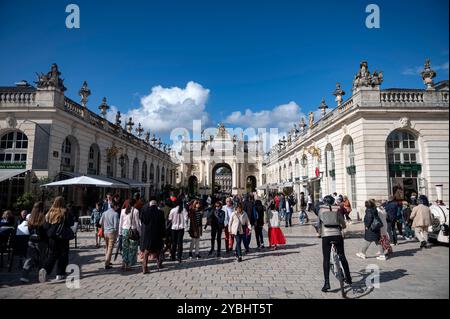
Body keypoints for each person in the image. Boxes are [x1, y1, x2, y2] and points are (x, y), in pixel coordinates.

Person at [318, 195, 351, 292]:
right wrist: (343, 226)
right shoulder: (337, 209)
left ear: (324, 202)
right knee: (342, 256)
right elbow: (342, 222)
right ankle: (348, 278)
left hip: (326, 236)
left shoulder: (321, 210)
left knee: (326, 259)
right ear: (333, 202)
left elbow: (320, 221)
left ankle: (327, 283)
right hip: (337, 234)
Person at [39, 196, 74, 283]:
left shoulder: (49, 213)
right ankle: (60, 273)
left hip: (52, 237)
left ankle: (45, 269)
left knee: (52, 255)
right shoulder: (65, 212)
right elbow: (71, 223)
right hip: (63, 237)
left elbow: (45, 226)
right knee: (63, 255)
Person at [20, 202, 48, 283]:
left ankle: (24, 276)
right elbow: (45, 228)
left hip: (31, 240)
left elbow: (29, 229)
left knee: (29, 259)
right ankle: (41, 277)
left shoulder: (30, 217)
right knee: (42, 259)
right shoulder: (43, 217)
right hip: (41, 241)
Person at [140, 199, 166, 273]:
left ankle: (144, 266)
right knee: (158, 249)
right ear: (156, 205)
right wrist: (164, 234)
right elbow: (162, 225)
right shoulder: (160, 212)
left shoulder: (145, 212)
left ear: (150, 205)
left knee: (147, 251)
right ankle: (159, 263)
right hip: (157, 234)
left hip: (147, 234)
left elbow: (142, 222)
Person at [119, 198, 141, 271]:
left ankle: (124, 263)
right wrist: (140, 232)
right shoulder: (136, 211)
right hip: (133, 231)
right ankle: (129, 265)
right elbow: (137, 223)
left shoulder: (123, 211)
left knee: (125, 247)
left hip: (124, 230)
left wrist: (120, 232)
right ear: (134, 204)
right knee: (132, 248)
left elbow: (120, 222)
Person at [99, 200, 120, 269]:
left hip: (105, 232)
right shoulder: (115, 214)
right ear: (115, 206)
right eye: (117, 206)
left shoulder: (105, 213)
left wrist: (105, 227)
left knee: (107, 248)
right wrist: (117, 234)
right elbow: (116, 225)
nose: (118, 207)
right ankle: (107, 263)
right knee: (110, 248)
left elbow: (100, 222)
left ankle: (108, 260)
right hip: (111, 232)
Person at [168, 198, 189, 263]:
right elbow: (186, 218)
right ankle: (179, 257)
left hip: (174, 228)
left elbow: (170, 218)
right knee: (180, 243)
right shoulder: (184, 210)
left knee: (174, 243)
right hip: (181, 228)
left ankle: (173, 256)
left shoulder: (172, 210)